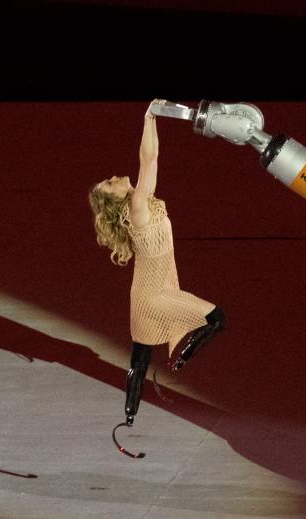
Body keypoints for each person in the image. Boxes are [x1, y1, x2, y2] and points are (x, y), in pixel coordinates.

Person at [88, 100, 226, 431]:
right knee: (215, 318)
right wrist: (149, 118)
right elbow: (149, 159)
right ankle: (180, 362)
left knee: (140, 358)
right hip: (154, 295)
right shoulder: (136, 206)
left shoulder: (141, 204)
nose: (114, 177)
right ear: (115, 199)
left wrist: (151, 118)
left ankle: (130, 415)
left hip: (145, 293)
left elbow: (149, 162)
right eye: (110, 183)